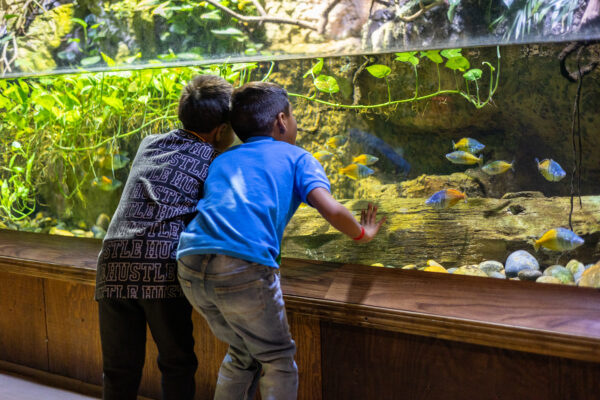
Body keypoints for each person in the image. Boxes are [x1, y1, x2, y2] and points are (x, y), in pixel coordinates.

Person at [176, 81, 386, 400]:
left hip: (190, 263)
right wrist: (361, 232)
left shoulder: (222, 159)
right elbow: (330, 208)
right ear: (282, 120)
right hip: (242, 266)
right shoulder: (297, 157)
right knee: (277, 359)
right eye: (293, 114)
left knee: (243, 354)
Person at [95, 74, 235, 400]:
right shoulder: (215, 160)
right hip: (161, 268)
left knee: (119, 369)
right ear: (222, 129)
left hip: (112, 264)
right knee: (176, 363)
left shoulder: (148, 143)